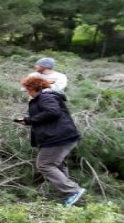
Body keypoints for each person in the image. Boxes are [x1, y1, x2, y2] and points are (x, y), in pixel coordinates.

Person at [15, 75, 85, 206]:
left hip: (58, 138)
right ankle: (70, 198)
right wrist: (26, 121)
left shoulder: (46, 97)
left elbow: (53, 112)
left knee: (44, 164)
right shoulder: (44, 97)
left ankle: (73, 191)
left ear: (33, 88)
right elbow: (46, 116)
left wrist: (30, 120)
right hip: (60, 136)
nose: (27, 93)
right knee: (58, 165)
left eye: (27, 90)